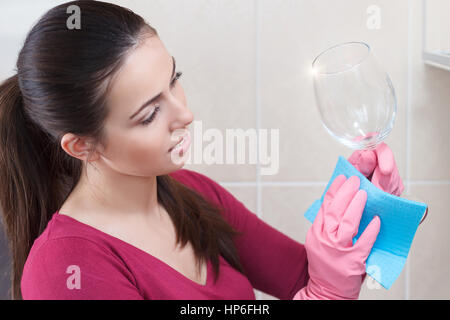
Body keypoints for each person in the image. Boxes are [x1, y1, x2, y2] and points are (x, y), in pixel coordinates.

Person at [0, 1, 404, 300]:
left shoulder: (192, 194)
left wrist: (371, 208)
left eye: (173, 79)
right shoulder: (64, 268)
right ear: (82, 145)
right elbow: (321, 292)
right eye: (148, 114)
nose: (186, 114)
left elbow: (309, 279)